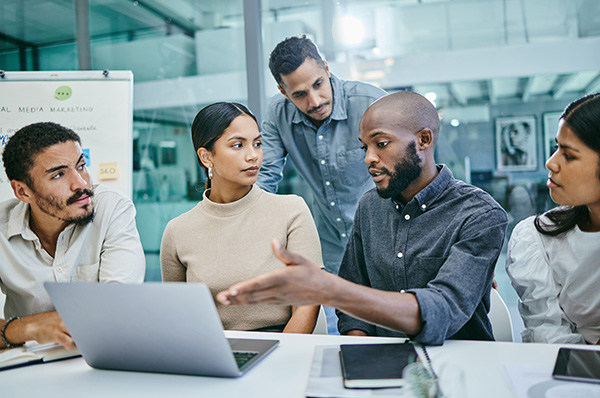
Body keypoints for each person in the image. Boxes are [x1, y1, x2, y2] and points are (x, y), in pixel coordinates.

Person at [217, 91, 508, 345]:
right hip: (378, 365)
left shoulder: (480, 214)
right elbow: (353, 303)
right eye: (364, 147)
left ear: (423, 140)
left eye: (380, 144)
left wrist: (330, 290)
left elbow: (442, 310)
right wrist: (359, 351)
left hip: (458, 366)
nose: (368, 157)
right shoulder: (370, 206)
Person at [259, 35, 386, 333]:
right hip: (329, 249)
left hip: (383, 245)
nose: (314, 101)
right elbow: (264, 179)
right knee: (335, 338)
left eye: (318, 84)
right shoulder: (278, 115)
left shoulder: (372, 103)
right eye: (299, 94)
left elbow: (417, 173)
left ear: (327, 69)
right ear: (283, 91)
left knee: (390, 338)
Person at [160, 102, 322, 333]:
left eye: (257, 144)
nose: (253, 155)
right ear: (207, 157)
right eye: (238, 145)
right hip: (211, 351)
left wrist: (281, 359)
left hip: (283, 347)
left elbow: (308, 301)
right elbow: (176, 314)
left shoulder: (291, 211)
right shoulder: (178, 230)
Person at [0, 122, 145, 350]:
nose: (81, 183)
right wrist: (28, 328)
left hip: (104, 354)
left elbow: (120, 305)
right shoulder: (2, 228)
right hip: (26, 366)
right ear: (23, 191)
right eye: (58, 175)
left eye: (81, 166)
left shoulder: (112, 208)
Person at [506, 93, 600, 344]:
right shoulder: (537, 237)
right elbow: (548, 338)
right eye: (556, 147)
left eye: (568, 155)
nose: (551, 163)